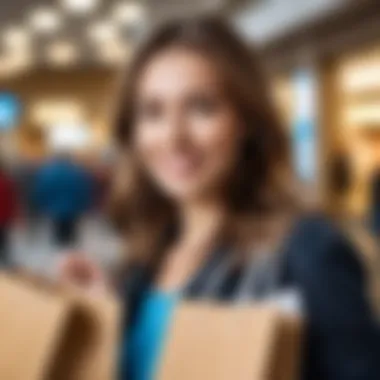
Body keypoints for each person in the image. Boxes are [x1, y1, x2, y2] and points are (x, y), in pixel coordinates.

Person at [58, 17, 380, 380]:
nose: (174, 137)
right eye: (152, 112)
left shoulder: (306, 252)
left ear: (246, 120)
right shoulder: (144, 258)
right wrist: (105, 319)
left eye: (201, 107)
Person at [33, 153, 94, 248]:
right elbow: (84, 189)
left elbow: (42, 189)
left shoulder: (48, 173)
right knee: (71, 230)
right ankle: (70, 248)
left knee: (58, 229)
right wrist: (84, 204)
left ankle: (59, 248)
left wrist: (42, 204)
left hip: (54, 207)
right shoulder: (77, 172)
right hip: (73, 207)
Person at [0, 161, 17, 265]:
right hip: (5, 216)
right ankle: (5, 259)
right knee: (4, 239)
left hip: (5, 215)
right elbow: (13, 200)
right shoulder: (8, 181)